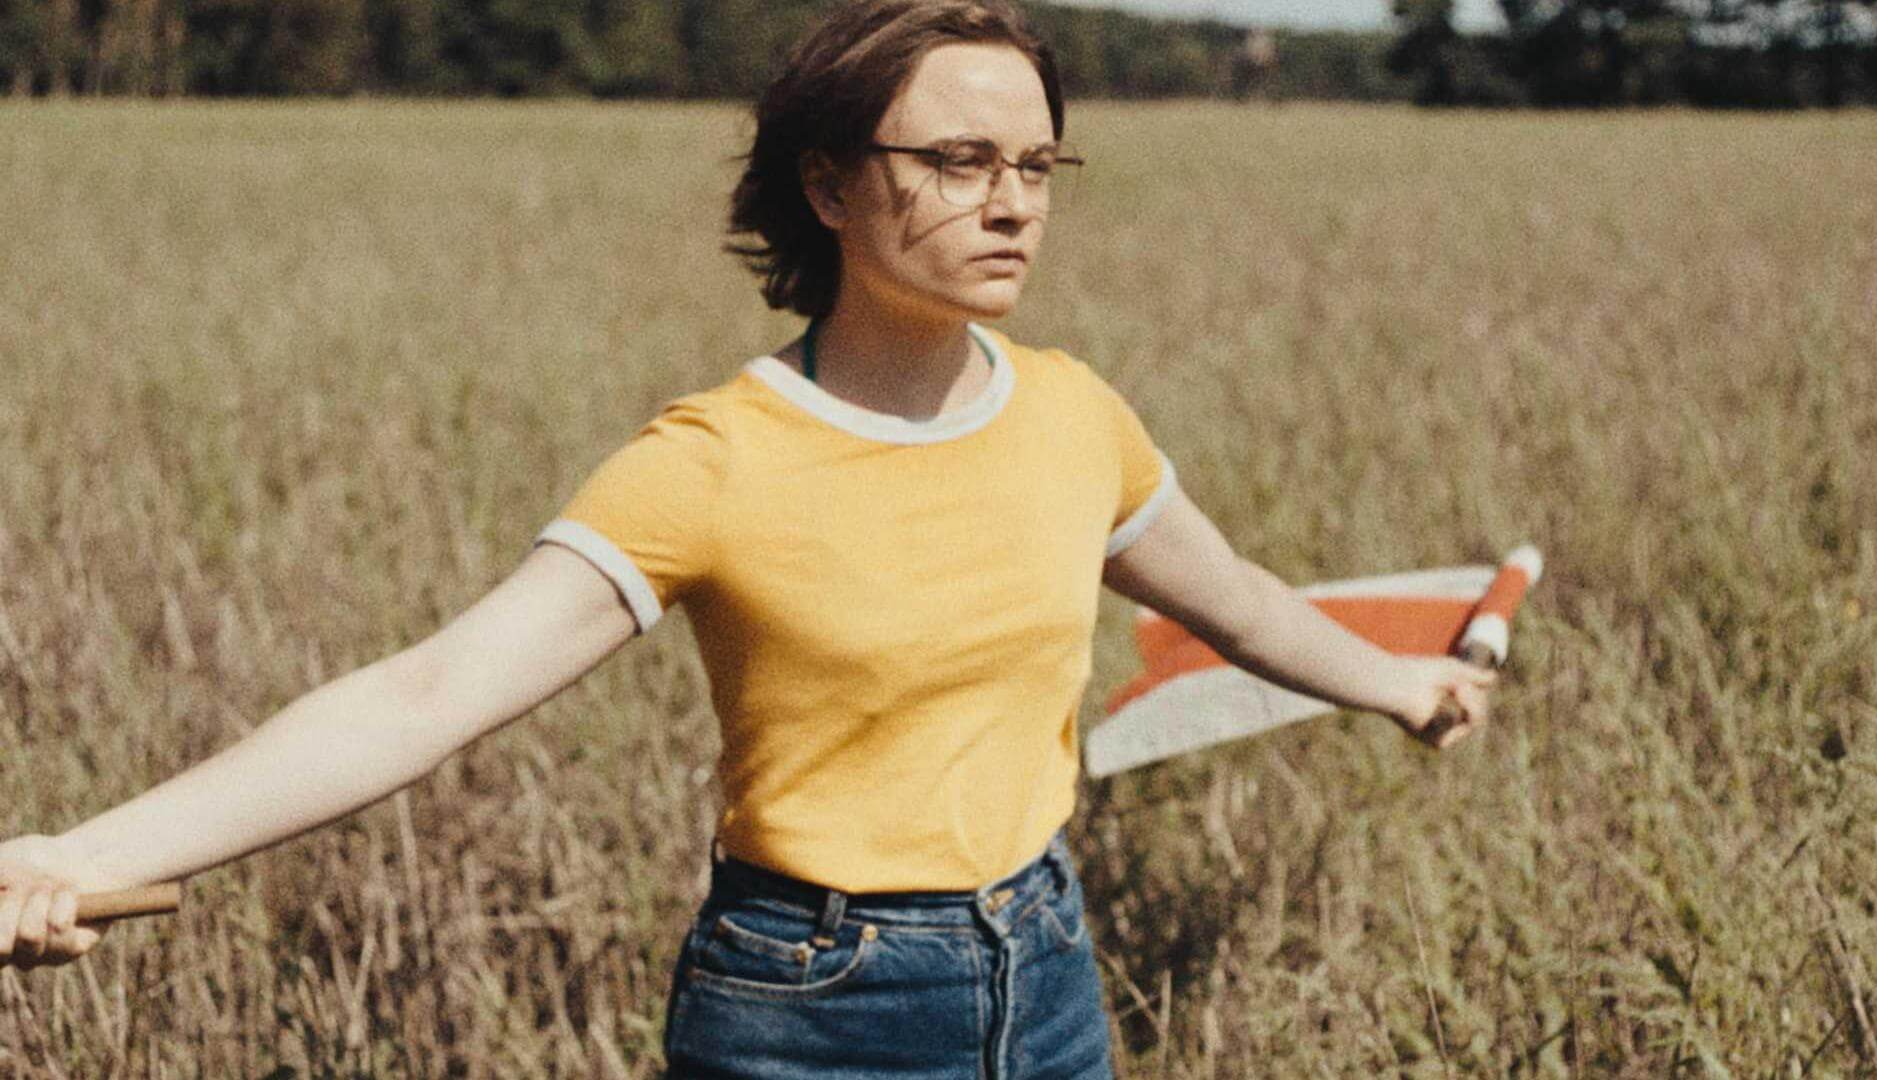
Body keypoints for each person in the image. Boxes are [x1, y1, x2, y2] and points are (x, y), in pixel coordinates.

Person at [0, 0, 1494, 1074]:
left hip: (1046, 969)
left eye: (1037, 166)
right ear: (829, 183)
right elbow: (425, 695)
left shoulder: (1074, 413)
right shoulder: (715, 461)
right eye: (960, 160)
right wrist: (81, 852)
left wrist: (1401, 684)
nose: (1012, 206)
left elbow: (1239, 603)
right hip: (813, 1003)